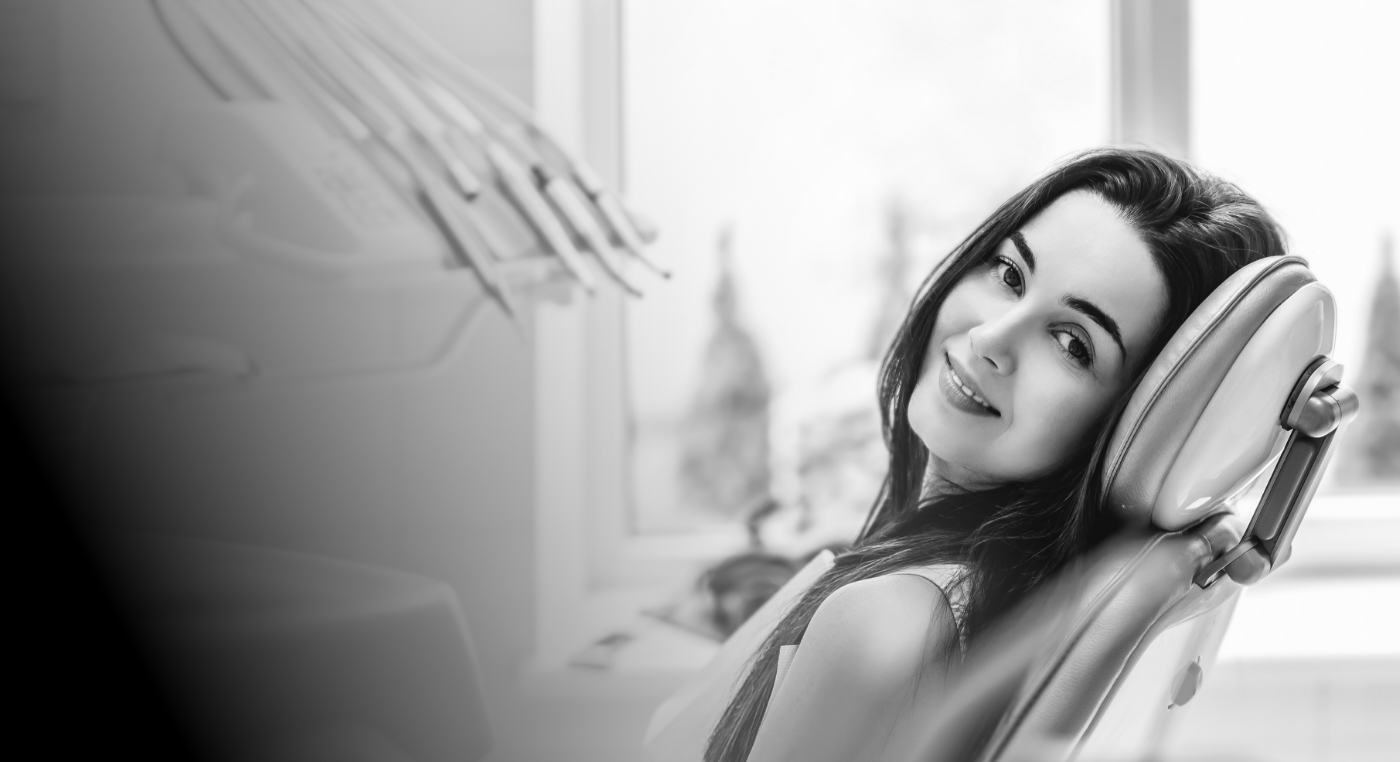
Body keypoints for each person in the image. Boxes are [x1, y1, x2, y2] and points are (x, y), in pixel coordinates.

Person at [700, 148, 1288, 762]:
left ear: (1136, 422)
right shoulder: (1019, 609)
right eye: (1010, 275)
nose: (990, 339)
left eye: (1072, 343)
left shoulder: (884, 625)